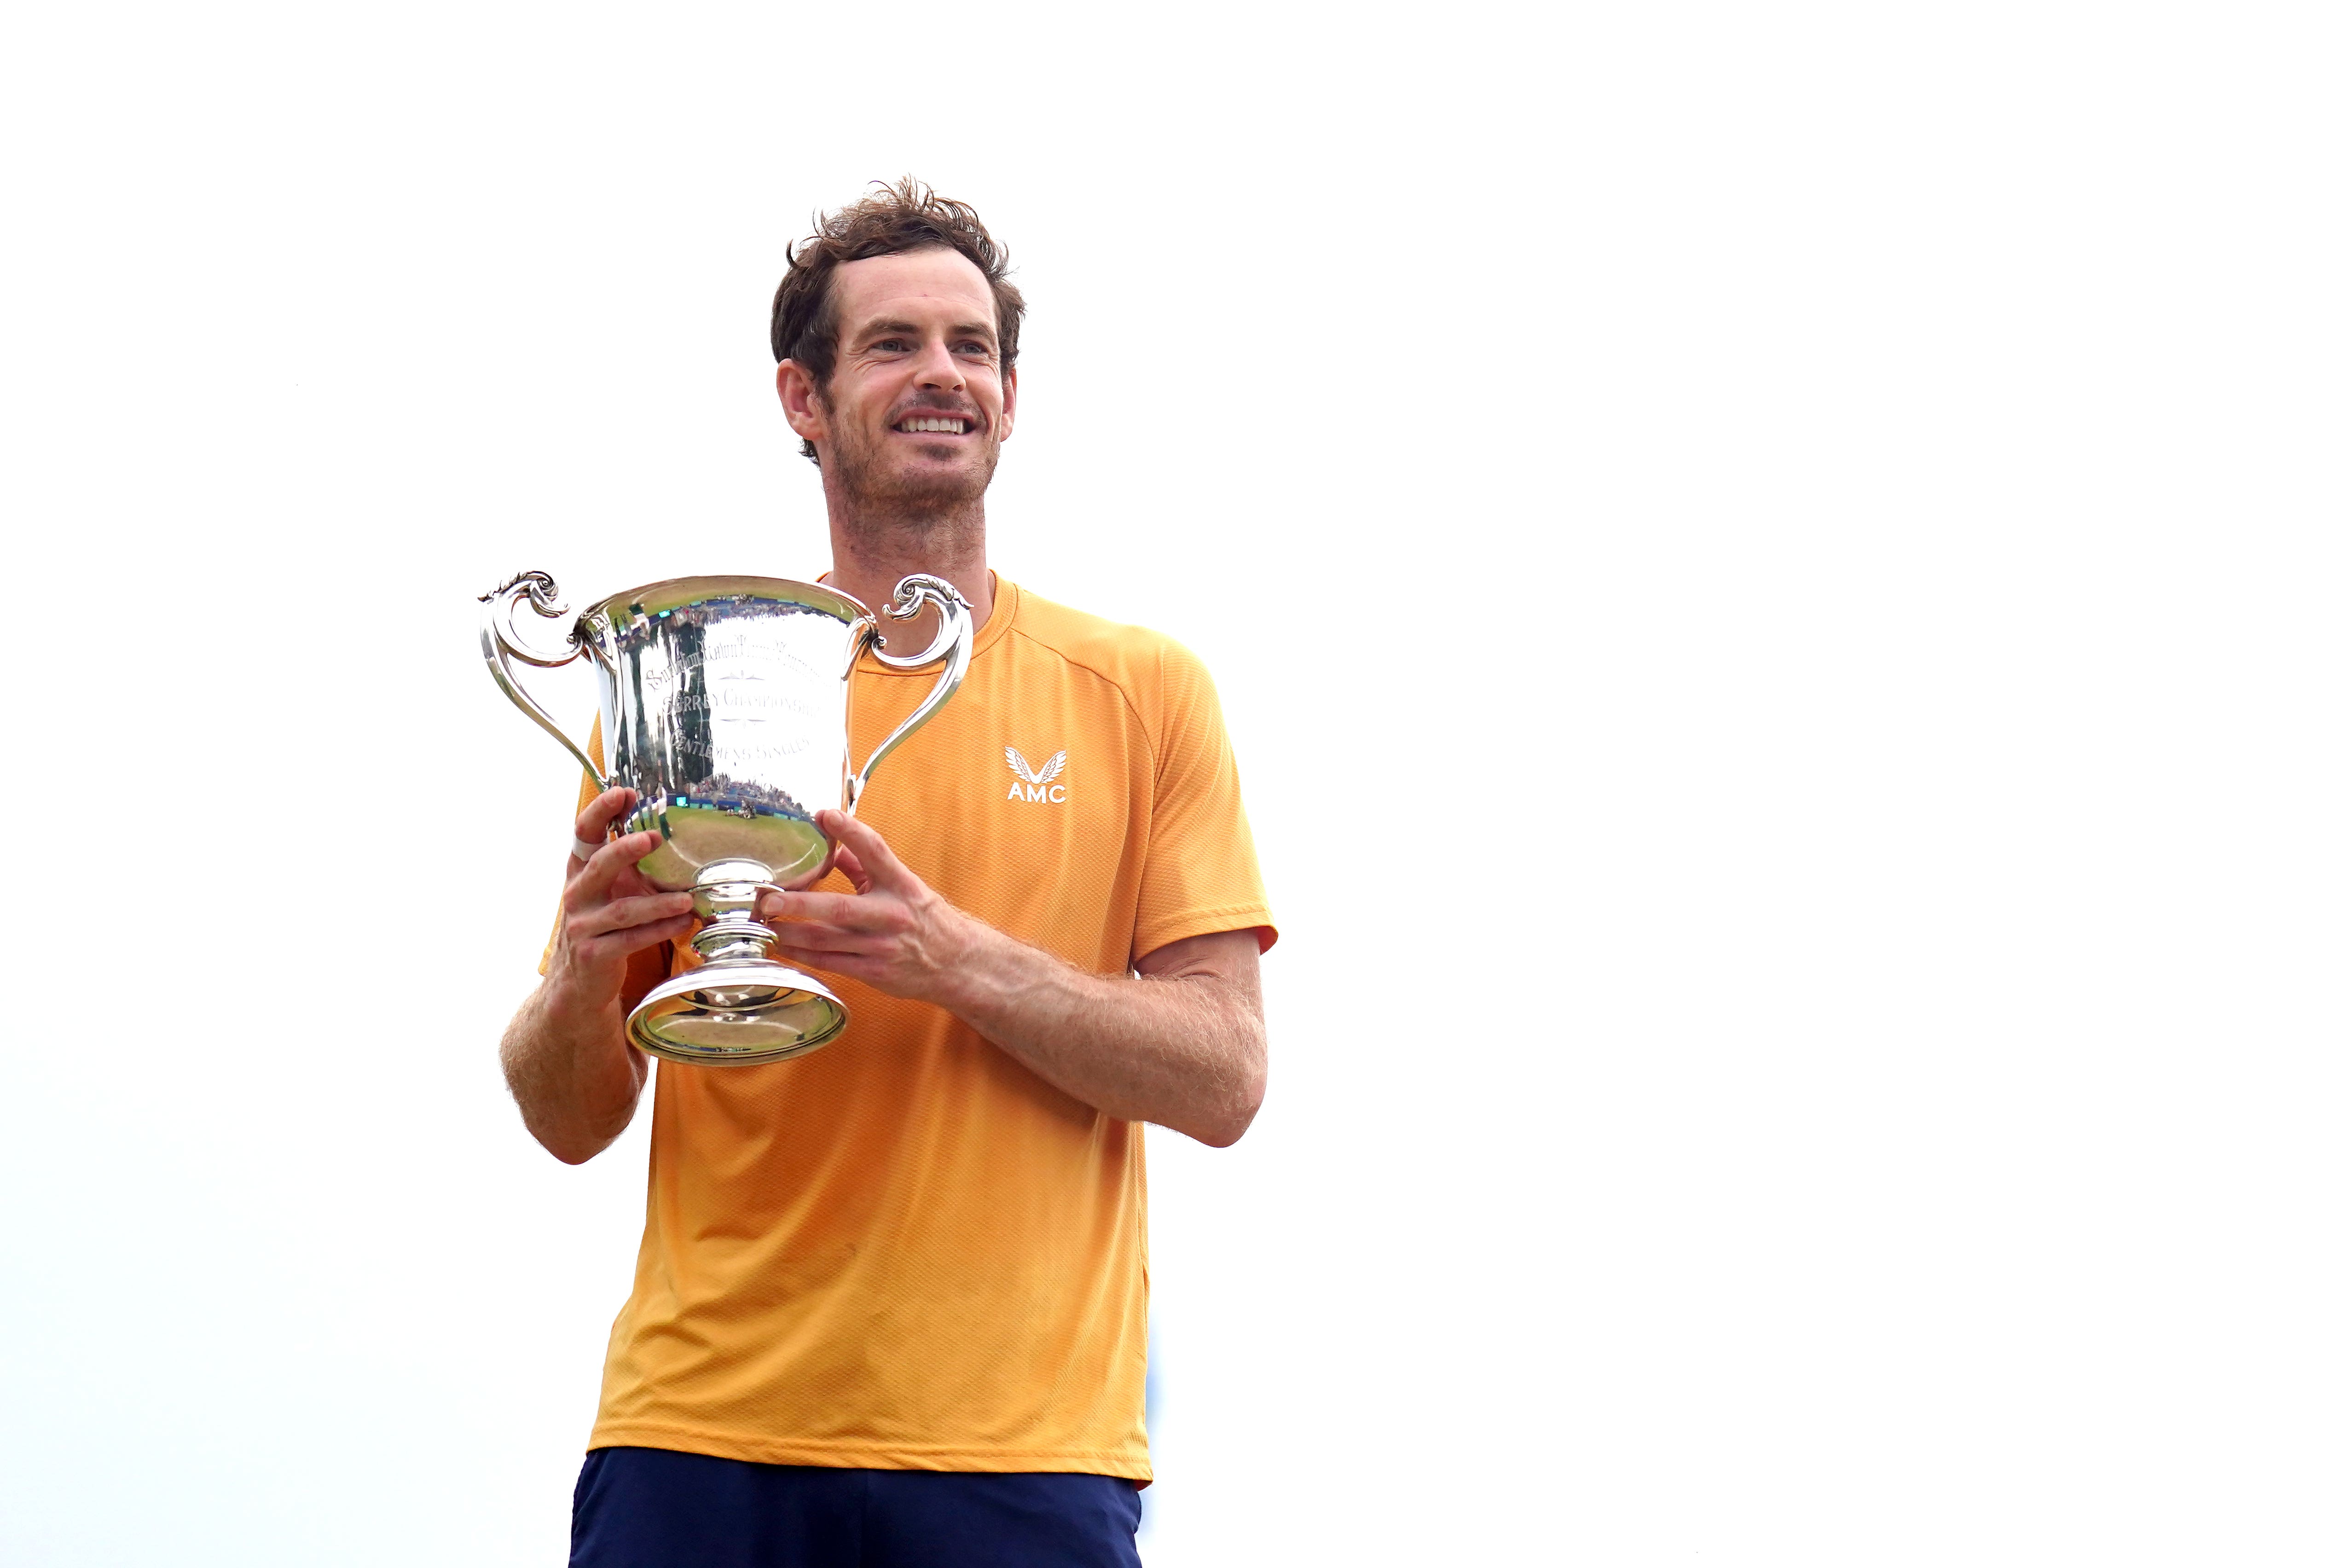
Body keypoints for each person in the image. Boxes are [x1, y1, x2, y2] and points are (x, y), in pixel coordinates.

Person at [498, 179, 1276, 1568]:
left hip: (1024, 1457)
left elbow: (1222, 1078)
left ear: (1013, 399)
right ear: (802, 397)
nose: (942, 376)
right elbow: (570, 1116)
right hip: (699, 1439)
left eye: (972, 348)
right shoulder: (687, 701)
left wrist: (952, 961)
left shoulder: (1144, 690)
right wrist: (577, 969)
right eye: (895, 344)